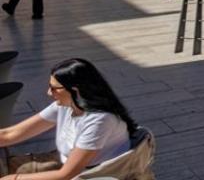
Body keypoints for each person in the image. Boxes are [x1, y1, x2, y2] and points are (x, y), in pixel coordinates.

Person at [0, 57, 136, 178]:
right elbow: (10, 134)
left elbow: (66, 174)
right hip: (66, 163)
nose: (48, 92)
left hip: (92, 175)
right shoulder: (65, 105)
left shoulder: (99, 121)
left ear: (75, 90)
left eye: (54, 88)